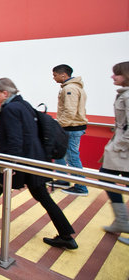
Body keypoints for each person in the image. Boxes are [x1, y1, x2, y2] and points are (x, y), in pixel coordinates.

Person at [0, 78, 78, 250]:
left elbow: (14, 139)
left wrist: (8, 164)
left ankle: (66, 236)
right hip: (34, 159)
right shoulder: (24, 105)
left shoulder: (10, 109)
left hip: (24, 162)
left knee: (32, 193)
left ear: (5, 93)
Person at [99, 61, 129, 245]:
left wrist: (117, 146)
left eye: (116, 74)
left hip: (123, 151)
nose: (113, 76)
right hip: (120, 149)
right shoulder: (123, 95)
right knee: (106, 177)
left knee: (106, 177)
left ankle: (122, 221)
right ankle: (122, 220)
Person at [51, 64, 88, 195]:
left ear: (63, 75)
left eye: (55, 75)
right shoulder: (74, 87)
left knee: (72, 157)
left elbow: (70, 111)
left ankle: (81, 187)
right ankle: (63, 179)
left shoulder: (69, 89)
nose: (53, 78)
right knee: (61, 153)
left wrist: (59, 126)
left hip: (71, 128)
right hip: (71, 126)